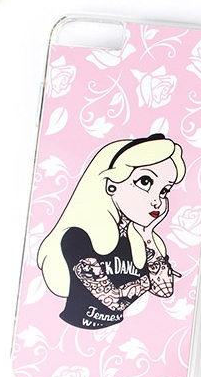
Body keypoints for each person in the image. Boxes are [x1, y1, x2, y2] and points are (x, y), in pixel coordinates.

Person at [38, 134, 185, 330]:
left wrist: (147, 233)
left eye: (164, 190)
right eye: (145, 181)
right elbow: (112, 299)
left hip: (120, 333)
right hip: (68, 329)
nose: (157, 201)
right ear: (111, 184)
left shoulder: (139, 240)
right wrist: (149, 279)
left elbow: (164, 290)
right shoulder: (77, 236)